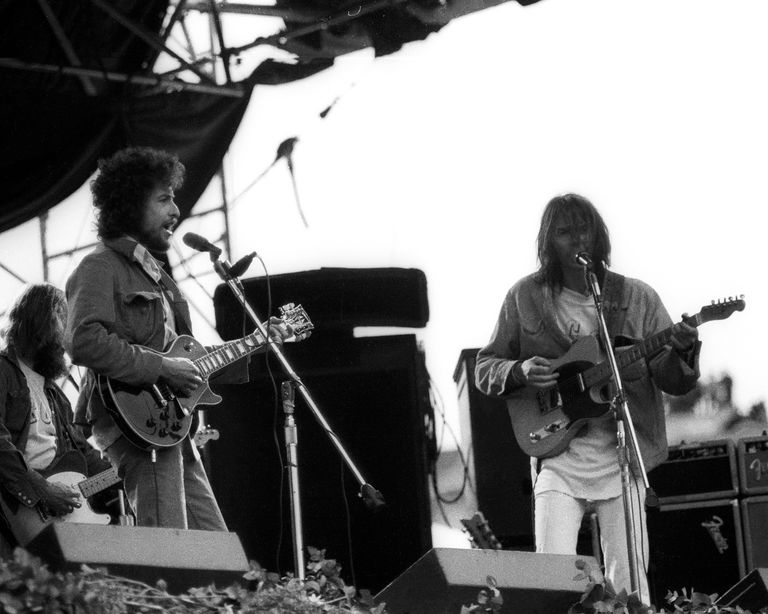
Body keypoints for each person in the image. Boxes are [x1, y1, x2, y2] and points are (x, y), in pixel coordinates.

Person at [474, 193, 701, 604]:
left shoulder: (637, 298)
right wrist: (518, 371)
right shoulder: (524, 297)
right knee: (553, 583)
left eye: (583, 229)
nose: (576, 239)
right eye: (564, 232)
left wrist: (683, 349)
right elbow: (485, 366)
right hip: (557, 454)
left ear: (598, 236)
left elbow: (675, 381)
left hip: (623, 456)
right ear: (548, 243)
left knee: (630, 588)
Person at [65, 146, 290, 531]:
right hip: (138, 428)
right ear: (131, 203)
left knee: (216, 549)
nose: (176, 211)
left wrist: (257, 340)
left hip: (171, 428)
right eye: (164, 198)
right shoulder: (100, 267)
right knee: (171, 549)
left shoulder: (155, 275)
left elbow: (189, 361)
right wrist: (162, 367)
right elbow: (82, 340)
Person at [0, 283, 111, 552]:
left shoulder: (55, 395)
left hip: (53, 506)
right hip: (16, 502)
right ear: (40, 322)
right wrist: (42, 490)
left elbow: (81, 452)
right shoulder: (3, 371)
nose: (67, 340)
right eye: (64, 323)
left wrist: (128, 469)